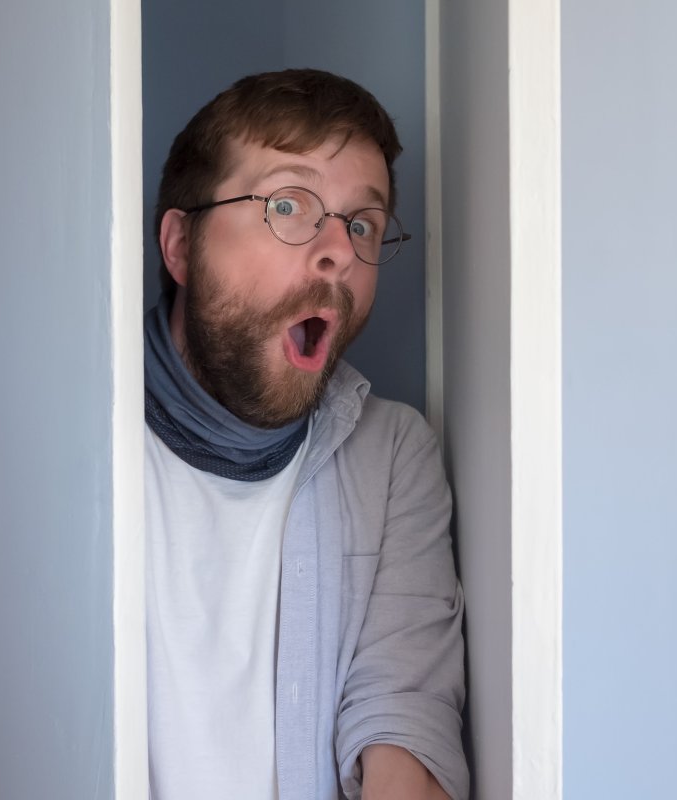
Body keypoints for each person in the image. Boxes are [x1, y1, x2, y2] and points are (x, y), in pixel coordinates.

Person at [144, 68, 467, 800]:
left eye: (362, 223)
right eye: (288, 204)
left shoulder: (390, 456)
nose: (339, 253)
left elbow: (405, 727)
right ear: (181, 246)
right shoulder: (75, 440)